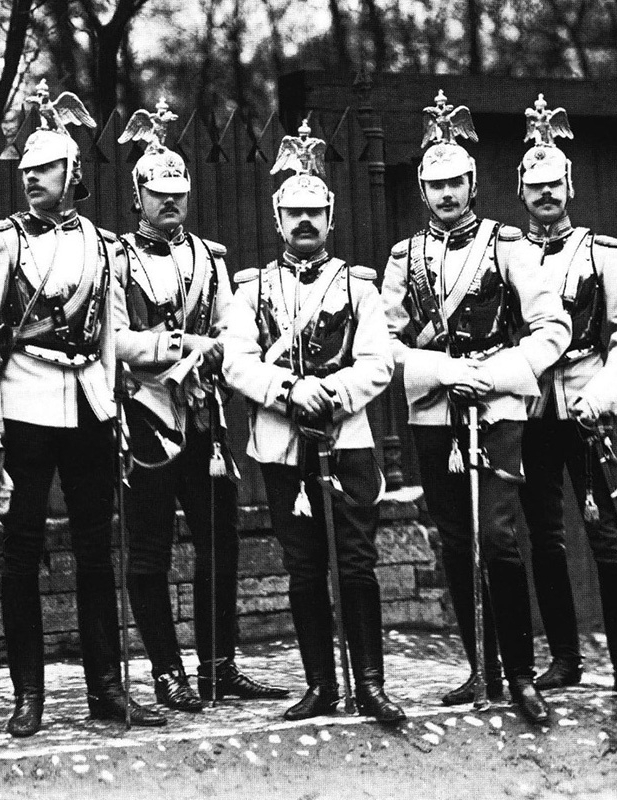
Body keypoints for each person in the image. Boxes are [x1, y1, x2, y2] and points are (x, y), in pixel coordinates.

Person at [0, 80, 165, 737]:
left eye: (46, 168)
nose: (32, 179)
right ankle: (28, 694)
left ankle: (107, 688)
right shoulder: (2, 241)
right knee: (21, 552)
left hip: (88, 408)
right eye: (27, 170)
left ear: (74, 173)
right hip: (23, 405)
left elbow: (108, 333)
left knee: (95, 550)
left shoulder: (104, 245)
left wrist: (114, 405)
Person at [380, 91, 570, 725]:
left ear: (472, 184)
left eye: (455, 183)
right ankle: (480, 667)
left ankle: (520, 675)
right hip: (436, 410)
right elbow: (383, 342)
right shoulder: (404, 258)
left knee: (498, 536)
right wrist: (440, 369)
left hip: (496, 408)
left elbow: (552, 327)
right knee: (457, 541)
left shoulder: (506, 244)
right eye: (435, 185)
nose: (446, 194)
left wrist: (495, 374)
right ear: (422, 189)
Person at [223, 119, 404, 724]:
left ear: (330, 218)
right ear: (278, 221)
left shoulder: (358, 286)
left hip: (347, 439)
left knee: (356, 563)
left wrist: (331, 393)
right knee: (303, 567)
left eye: (315, 213)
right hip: (282, 444)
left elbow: (379, 363)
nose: (305, 222)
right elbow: (238, 362)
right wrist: (289, 390)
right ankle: (321, 685)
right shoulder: (253, 288)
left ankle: (370, 684)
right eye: (294, 213)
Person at [113, 99, 288, 712]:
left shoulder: (211, 257)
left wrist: (219, 354)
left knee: (220, 541)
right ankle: (166, 671)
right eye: (158, 194)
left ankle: (218, 666)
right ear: (138, 197)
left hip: (206, 415)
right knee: (150, 548)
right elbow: (114, 339)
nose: (170, 203)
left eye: (178, 194)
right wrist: (178, 346)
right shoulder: (118, 258)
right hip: (147, 411)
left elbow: (233, 329)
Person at [513, 95, 617, 707]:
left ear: (569, 187)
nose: (545, 194)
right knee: (545, 538)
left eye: (554, 184)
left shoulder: (600, 253)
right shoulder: (508, 254)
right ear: (520, 191)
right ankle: (565, 658)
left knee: (609, 535)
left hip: (589, 405)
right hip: (532, 410)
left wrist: (606, 390)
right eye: (534, 186)